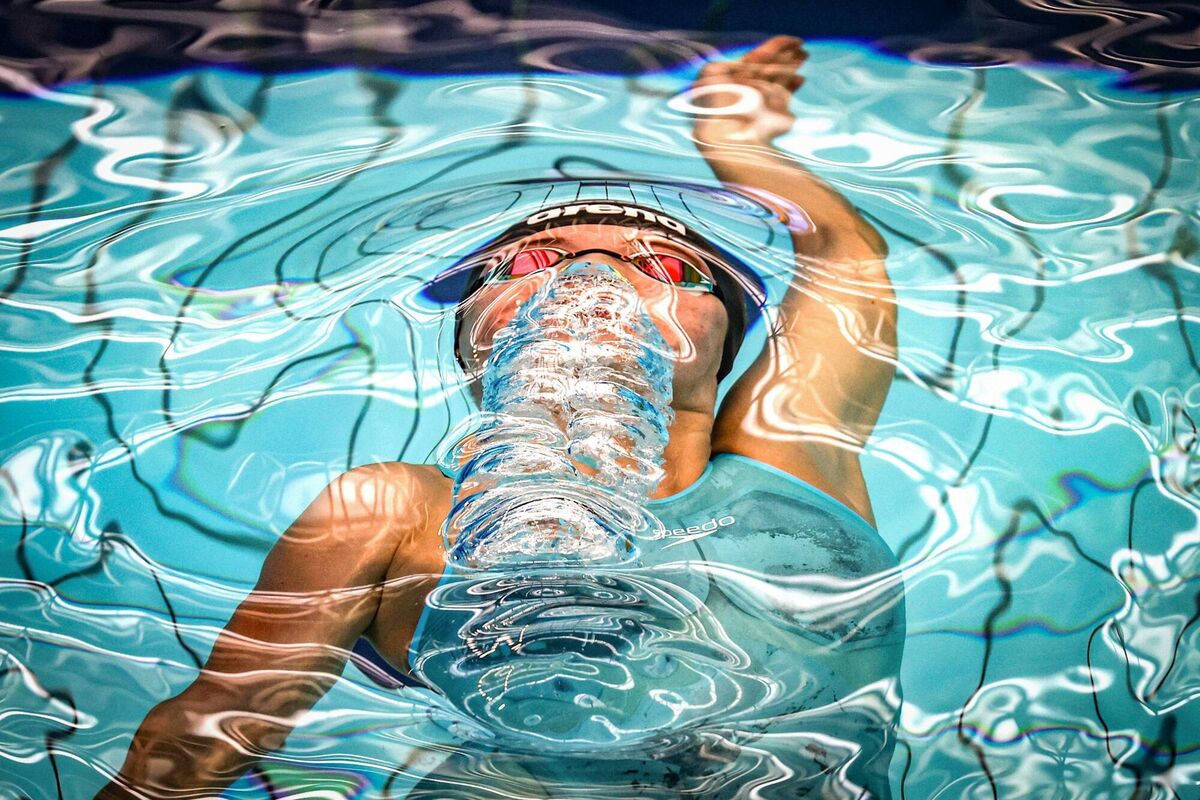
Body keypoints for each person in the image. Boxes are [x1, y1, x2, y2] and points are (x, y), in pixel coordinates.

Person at [98, 35, 902, 799]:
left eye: (661, 265)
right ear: (472, 342)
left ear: (722, 346)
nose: (594, 272)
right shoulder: (390, 514)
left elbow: (847, 254)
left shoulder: (792, 450)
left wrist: (737, 142)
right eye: (532, 261)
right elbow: (214, 732)